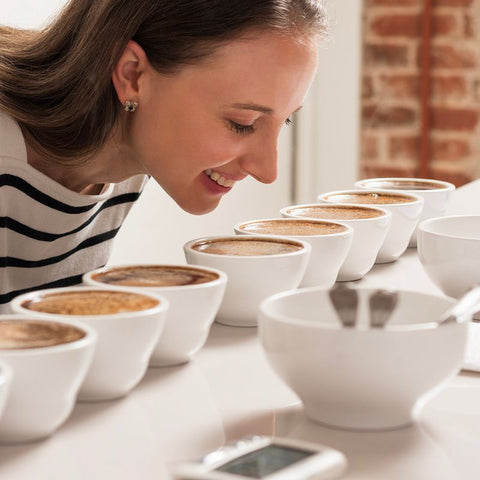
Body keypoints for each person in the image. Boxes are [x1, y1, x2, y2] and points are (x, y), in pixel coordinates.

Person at [0, 0, 327, 311]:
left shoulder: (126, 154)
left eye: (285, 119)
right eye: (242, 123)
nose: (268, 171)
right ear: (132, 75)